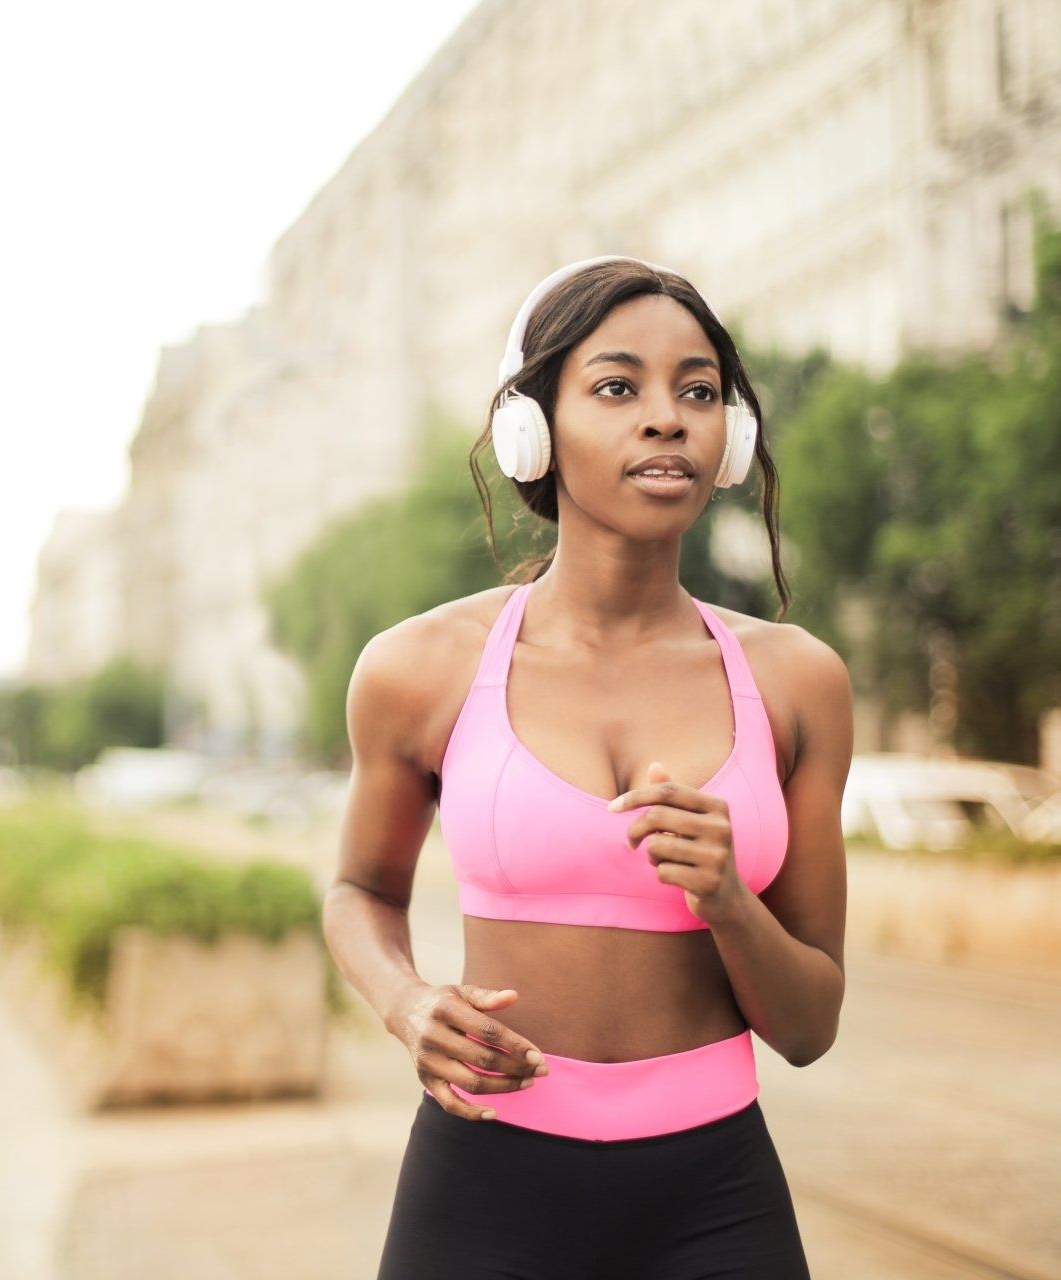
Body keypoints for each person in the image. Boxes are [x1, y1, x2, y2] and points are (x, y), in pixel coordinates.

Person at [326, 256, 851, 1278]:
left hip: (716, 1198)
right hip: (479, 1183)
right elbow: (359, 887)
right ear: (534, 429)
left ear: (731, 440)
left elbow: (811, 1026)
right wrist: (407, 1002)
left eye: (698, 391)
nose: (668, 418)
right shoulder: (419, 669)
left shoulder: (797, 682)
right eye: (618, 387)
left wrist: (730, 899)